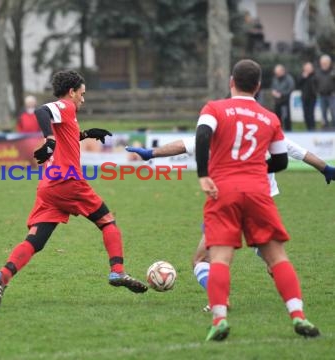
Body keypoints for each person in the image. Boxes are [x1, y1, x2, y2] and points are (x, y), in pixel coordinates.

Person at [0, 70, 147, 307]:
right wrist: (49, 139)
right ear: (72, 92)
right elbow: (41, 111)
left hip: (49, 186)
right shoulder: (66, 106)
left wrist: (86, 134)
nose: (83, 99)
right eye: (82, 94)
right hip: (69, 182)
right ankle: (118, 271)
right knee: (107, 221)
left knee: (36, 240)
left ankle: (2, 276)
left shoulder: (67, 113)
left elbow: (66, 136)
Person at [127, 137, 335, 311]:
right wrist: (325, 168)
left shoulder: (222, 126)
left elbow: (186, 144)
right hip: (261, 204)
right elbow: (298, 152)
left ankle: (221, 301)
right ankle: (296, 311)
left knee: (202, 259)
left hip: (229, 202)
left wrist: (151, 153)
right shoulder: (266, 125)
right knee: (275, 259)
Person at [194, 59, 319, 341]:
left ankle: (220, 320)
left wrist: (204, 174)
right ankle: (298, 315)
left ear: (231, 82)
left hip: (223, 190)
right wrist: (254, 167)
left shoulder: (214, 108)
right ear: (259, 86)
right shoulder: (269, 118)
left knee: (221, 258)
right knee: (276, 257)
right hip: (258, 192)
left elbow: (203, 134)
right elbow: (281, 161)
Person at [271, 64, 295, 131]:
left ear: (282, 71)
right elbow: (273, 87)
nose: (276, 74)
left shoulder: (289, 78)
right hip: (277, 101)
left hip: (285, 101)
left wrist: (281, 94)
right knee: (277, 117)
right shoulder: (275, 78)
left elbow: (291, 88)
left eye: (278, 72)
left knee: (286, 117)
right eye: (276, 72)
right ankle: (278, 131)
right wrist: (274, 92)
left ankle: (288, 131)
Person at [314, 54, 335, 128]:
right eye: (322, 62)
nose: (324, 64)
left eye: (325, 62)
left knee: (333, 113)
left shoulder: (333, 71)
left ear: (329, 62)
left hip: (332, 96)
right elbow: (315, 83)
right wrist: (317, 91)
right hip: (322, 96)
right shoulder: (317, 72)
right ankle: (325, 129)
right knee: (323, 114)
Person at [298, 62, 317, 131]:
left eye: (309, 68)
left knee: (311, 113)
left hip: (312, 97)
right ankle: (308, 128)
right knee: (305, 114)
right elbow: (298, 84)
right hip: (304, 97)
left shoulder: (315, 75)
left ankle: (312, 128)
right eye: (306, 68)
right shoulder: (302, 75)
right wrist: (303, 77)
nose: (308, 69)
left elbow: (317, 84)